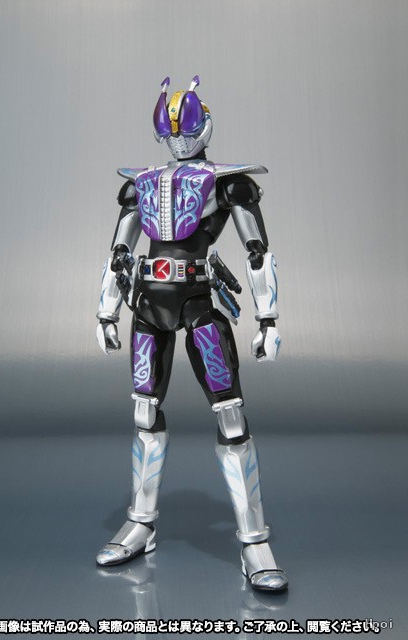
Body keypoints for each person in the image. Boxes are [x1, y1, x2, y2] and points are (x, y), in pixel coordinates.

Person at [95, 76, 288, 592]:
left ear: (206, 124)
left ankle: (254, 540)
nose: (180, 139)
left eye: (188, 128)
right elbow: (119, 252)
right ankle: (141, 523)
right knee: (144, 411)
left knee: (230, 414)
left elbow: (257, 252)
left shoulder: (228, 183)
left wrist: (268, 319)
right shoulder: (141, 184)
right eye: (172, 131)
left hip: (201, 304)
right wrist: (106, 310)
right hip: (148, 305)